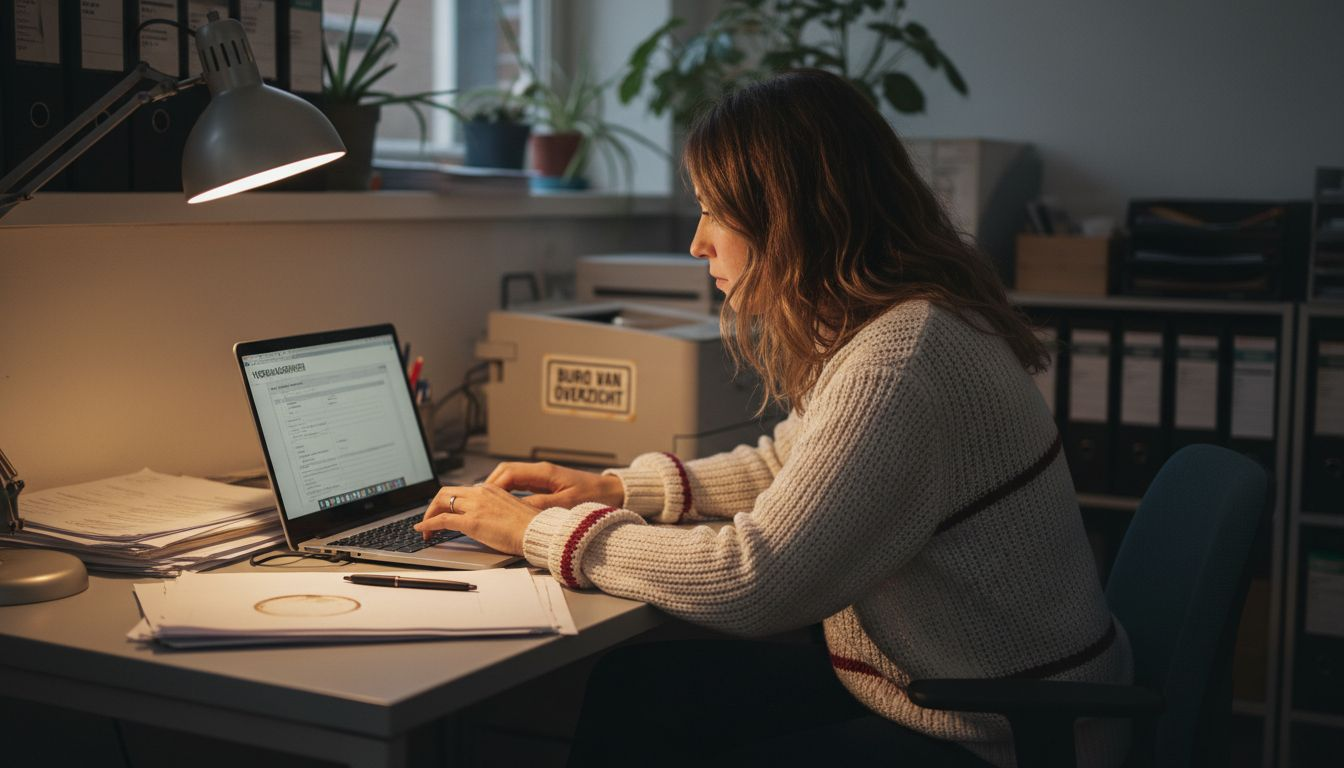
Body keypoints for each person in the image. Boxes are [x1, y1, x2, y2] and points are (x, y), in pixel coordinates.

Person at [416, 68, 1133, 767]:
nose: (698, 242)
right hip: (931, 694)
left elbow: (756, 580)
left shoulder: (899, 361)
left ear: (791, 217)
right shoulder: (896, 322)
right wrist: (614, 488)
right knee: (640, 692)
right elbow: (788, 463)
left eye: (714, 212)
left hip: (999, 735)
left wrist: (539, 532)